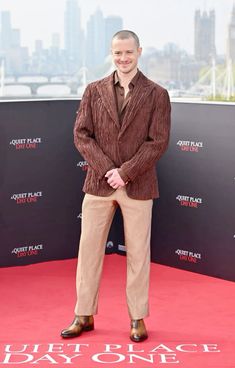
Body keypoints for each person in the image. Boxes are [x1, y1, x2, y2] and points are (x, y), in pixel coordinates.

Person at [61, 30, 171, 342]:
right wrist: (108, 170)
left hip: (138, 185)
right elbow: (81, 134)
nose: (123, 59)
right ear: (112, 54)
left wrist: (125, 173)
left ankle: (137, 318)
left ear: (139, 52)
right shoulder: (93, 90)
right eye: (117, 53)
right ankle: (83, 314)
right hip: (98, 183)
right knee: (89, 252)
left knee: (138, 254)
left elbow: (157, 142)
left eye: (128, 53)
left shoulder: (157, 94)